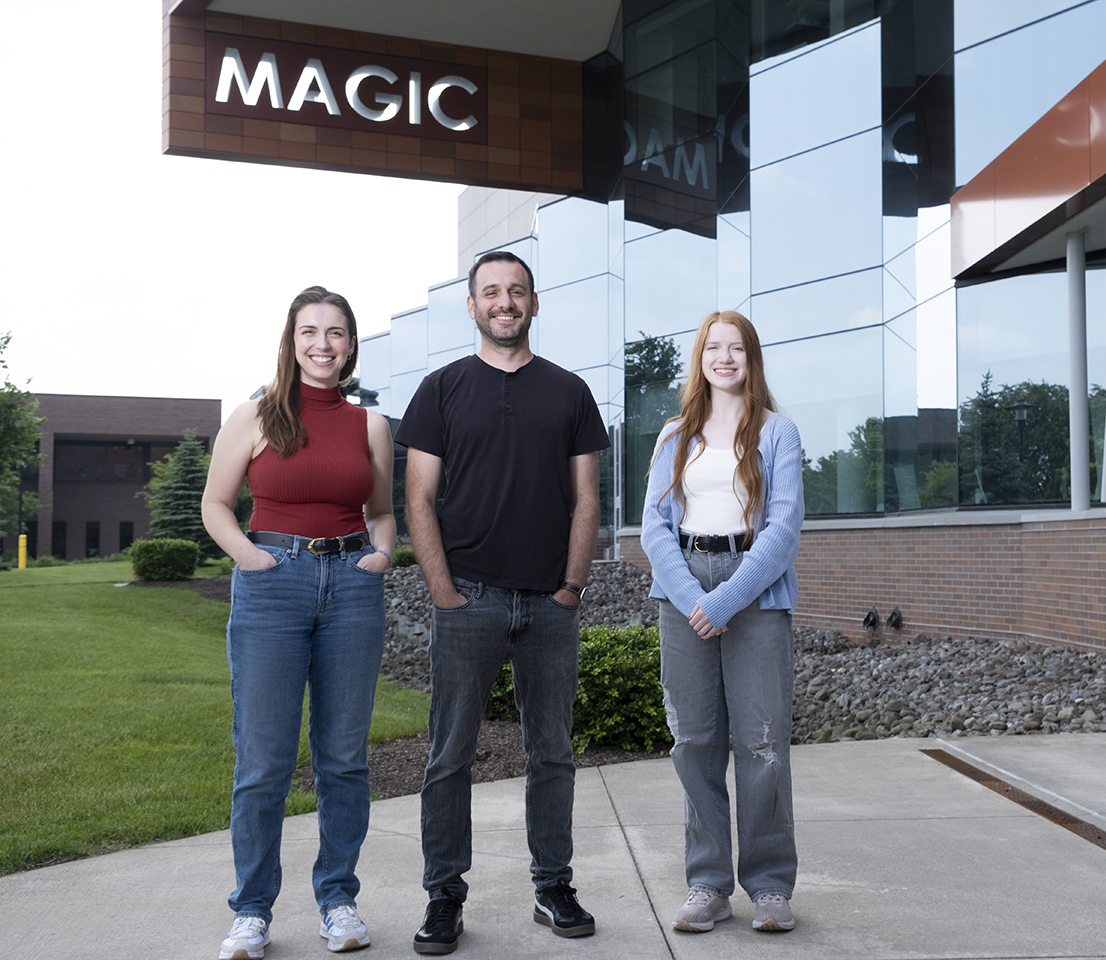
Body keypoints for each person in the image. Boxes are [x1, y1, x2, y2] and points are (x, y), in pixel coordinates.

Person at [397, 250, 610, 955]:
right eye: (491, 292)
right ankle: (444, 899)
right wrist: (443, 591)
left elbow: (587, 498)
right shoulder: (441, 390)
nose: (504, 301)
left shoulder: (570, 392)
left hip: (550, 605)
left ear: (534, 304)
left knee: (552, 752)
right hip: (471, 601)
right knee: (449, 756)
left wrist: (572, 586)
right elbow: (418, 499)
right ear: (472, 306)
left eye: (516, 291)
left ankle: (553, 886)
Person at [202, 286, 396, 959]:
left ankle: (337, 901)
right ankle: (251, 912)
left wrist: (384, 552)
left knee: (343, 759)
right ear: (291, 341)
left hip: (350, 587)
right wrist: (252, 559)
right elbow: (216, 505)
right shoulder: (254, 415)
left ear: (350, 345)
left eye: (336, 333)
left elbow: (383, 512)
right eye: (310, 331)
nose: (323, 344)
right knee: (264, 761)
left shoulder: (369, 426)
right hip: (271, 587)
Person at [640, 310, 805, 934]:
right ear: (701, 358)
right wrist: (692, 599)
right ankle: (707, 884)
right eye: (715, 348)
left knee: (762, 742)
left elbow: (784, 530)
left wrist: (726, 600)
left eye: (737, 348)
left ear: (751, 358)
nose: (726, 358)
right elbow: (654, 527)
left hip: (754, 591)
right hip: (683, 585)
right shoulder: (673, 434)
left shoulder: (778, 432)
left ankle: (768, 887)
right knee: (694, 742)